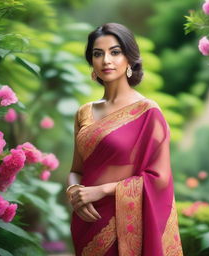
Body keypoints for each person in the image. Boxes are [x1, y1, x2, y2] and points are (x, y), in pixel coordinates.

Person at [66, 22, 183, 256]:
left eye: (115, 52)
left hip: (122, 224)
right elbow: (76, 170)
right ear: (91, 62)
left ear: (129, 58)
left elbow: (158, 179)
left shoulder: (148, 112)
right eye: (98, 54)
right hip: (87, 222)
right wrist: (74, 191)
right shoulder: (84, 112)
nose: (106, 60)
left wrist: (101, 191)